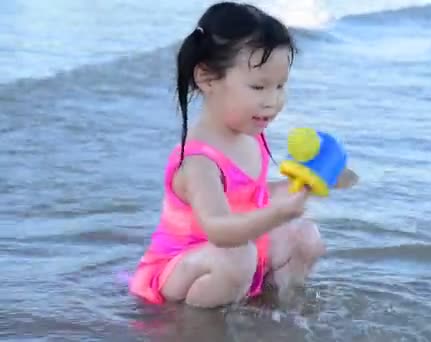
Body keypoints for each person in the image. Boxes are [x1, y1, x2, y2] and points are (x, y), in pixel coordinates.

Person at [129, 1, 358, 309]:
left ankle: (280, 309)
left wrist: (320, 177)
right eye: (259, 87)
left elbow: (252, 195)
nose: (273, 101)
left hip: (237, 254)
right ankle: (195, 327)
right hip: (178, 271)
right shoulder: (199, 161)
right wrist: (278, 214)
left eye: (280, 86)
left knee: (304, 234)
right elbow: (219, 230)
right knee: (237, 256)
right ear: (208, 79)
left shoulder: (251, 136)